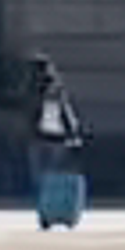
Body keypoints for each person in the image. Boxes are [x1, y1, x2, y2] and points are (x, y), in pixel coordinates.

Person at [26, 60, 87, 234]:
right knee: (51, 177)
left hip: (43, 138)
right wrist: (73, 135)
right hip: (54, 138)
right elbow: (67, 114)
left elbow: (62, 113)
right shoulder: (54, 90)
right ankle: (51, 213)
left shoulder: (35, 90)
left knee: (42, 178)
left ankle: (47, 214)